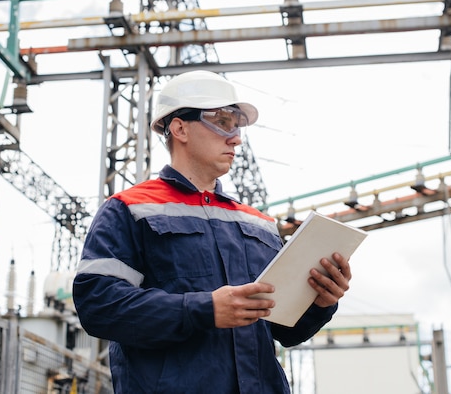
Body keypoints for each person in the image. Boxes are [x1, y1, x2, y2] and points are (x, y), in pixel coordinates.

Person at [72, 70, 352, 394]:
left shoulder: (257, 223)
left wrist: (321, 301)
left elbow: (284, 331)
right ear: (179, 128)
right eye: (223, 121)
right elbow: (99, 307)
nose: (235, 138)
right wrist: (203, 309)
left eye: (237, 125)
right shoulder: (128, 209)